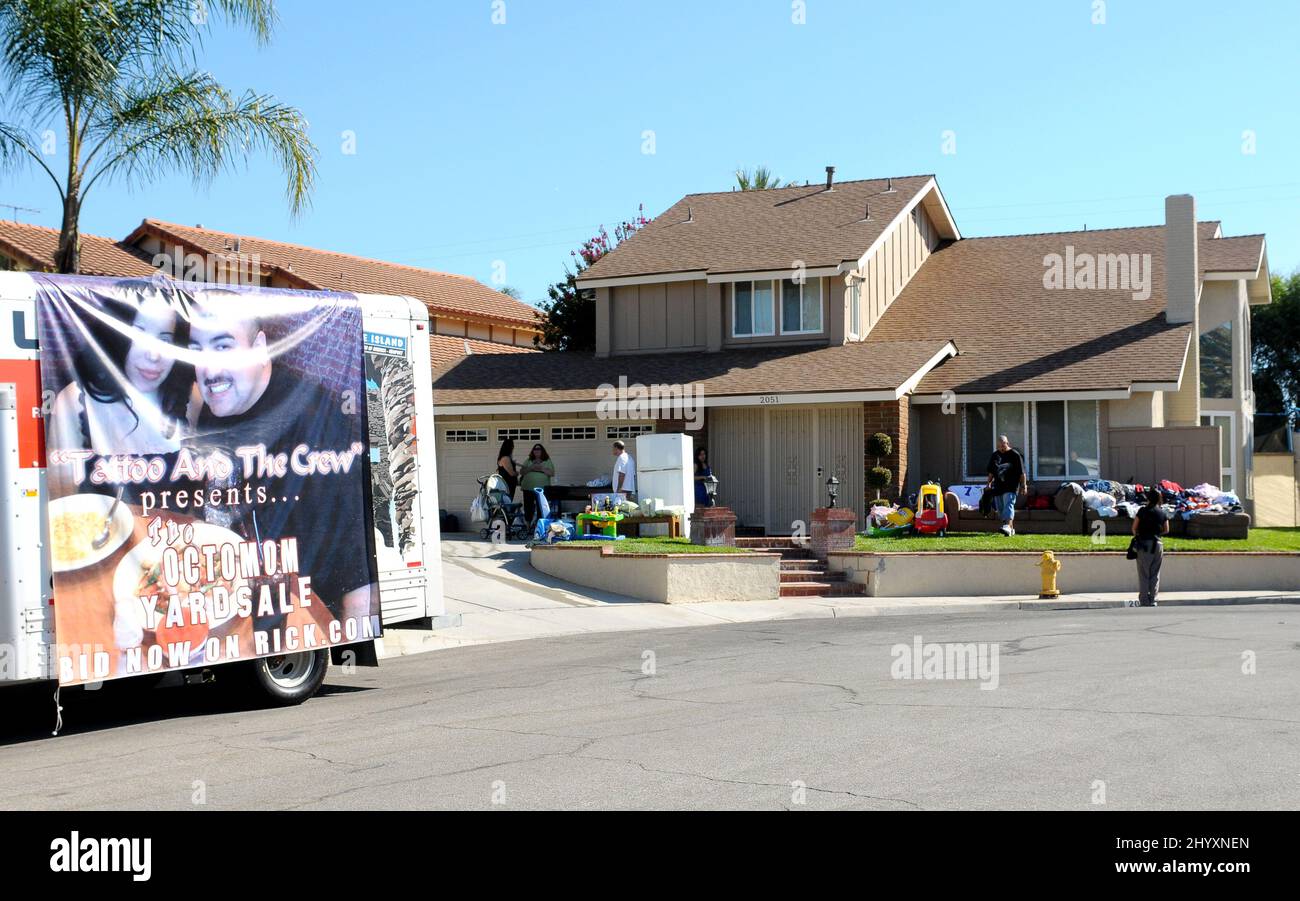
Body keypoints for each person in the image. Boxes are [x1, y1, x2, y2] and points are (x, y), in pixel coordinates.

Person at [185, 297, 376, 626]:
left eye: (223, 347)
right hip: (228, 601)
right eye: (196, 350)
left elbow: (353, 558)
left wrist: (355, 633)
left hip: (301, 614)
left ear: (259, 348)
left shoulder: (316, 420)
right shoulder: (217, 406)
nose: (209, 370)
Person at [48, 288, 195, 499]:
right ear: (114, 336)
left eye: (165, 339)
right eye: (137, 335)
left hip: (178, 531)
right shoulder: (74, 402)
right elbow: (62, 501)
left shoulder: (190, 398)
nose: (153, 355)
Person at [1131, 486, 1170, 607]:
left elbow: (1134, 528)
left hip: (1144, 544)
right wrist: (1157, 533)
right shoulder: (1162, 512)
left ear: (1148, 498)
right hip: (1157, 544)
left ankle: (1144, 600)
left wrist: (1138, 534)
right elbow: (1167, 530)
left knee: (1143, 573)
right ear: (1159, 499)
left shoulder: (1142, 511)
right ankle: (1153, 599)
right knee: (1155, 573)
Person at [986, 434, 1027, 536]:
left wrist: (1024, 485)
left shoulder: (1015, 455)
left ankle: (1007, 526)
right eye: (999, 447)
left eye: (1003, 446)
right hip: (998, 486)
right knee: (1001, 509)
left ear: (1007, 443)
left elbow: (1022, 473)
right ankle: (1010, 529)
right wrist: (989, 484)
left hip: (1011, 486)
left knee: (1008, 504)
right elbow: (991, 472)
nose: (1001, 448)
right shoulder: (995, 455)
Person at [518, 442, 555, 523]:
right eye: (535, 449)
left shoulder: (547, 460)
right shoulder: (528, 460)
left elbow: (552, 473)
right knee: (528, 508)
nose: (536, 451)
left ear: (542, 451)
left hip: (541, 489)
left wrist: (541, 468)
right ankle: (528, 525)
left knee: (540, 507)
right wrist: (531, 467)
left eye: (538, 449)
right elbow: (522, 471)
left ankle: (539, 525)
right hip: (528, 488)